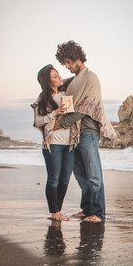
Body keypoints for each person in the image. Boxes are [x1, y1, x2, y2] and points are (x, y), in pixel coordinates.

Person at [54, 41, 117, 223]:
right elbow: (61, 94)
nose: (66, 66)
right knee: (81, 176)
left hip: (88, 131)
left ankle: (98, 213)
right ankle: (87, 209)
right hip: (73, 134)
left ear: (76, 57)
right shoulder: (73, 81)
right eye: (63, 63)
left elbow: (85, 108)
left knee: (93, 174)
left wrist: (63, 122)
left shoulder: (91, 78)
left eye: (67, 62)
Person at [31, 64, 79, 221]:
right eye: (55, 76)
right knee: (54, 179)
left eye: (59, 75)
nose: (59, 77)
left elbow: (77, 79)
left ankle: (58, 210)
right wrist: (54, 113)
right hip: (53, 145)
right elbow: (38, 122)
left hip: (70, 143)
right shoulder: (43, 99)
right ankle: (54, 212)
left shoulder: (67, 93)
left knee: (65, 179)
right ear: (47, 82)